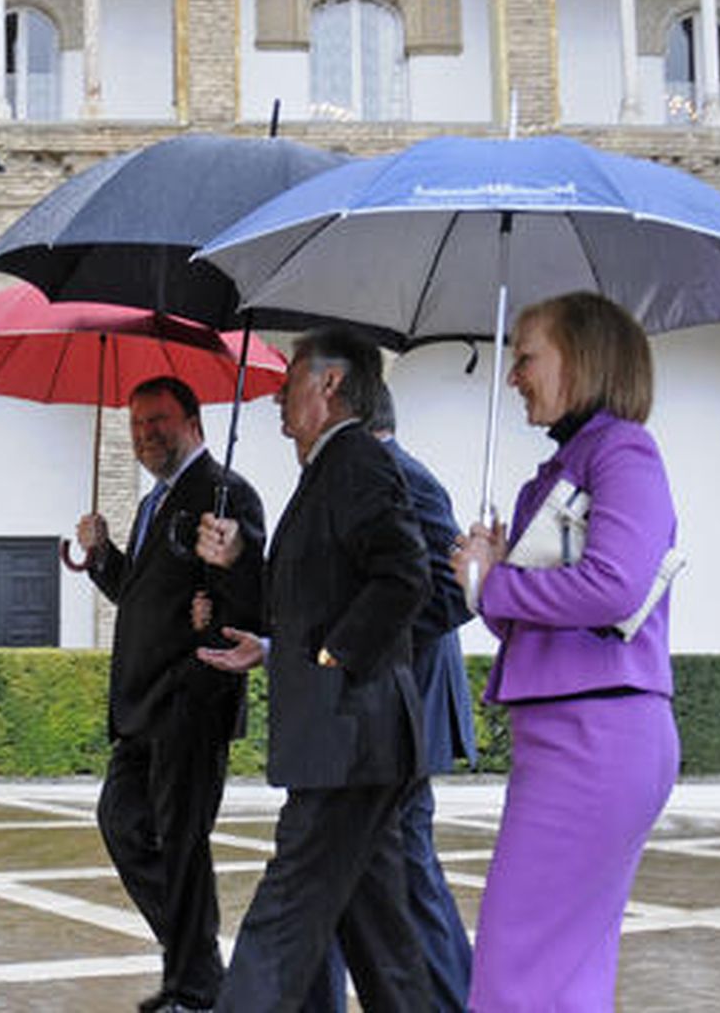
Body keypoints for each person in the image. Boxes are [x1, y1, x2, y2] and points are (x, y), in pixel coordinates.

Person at [451, 291, 682, 1012]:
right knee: (560, 968)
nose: (513, 375)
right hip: (563, 732)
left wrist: (498, 587)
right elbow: (527, 628)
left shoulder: (624, 451)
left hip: (597, 735)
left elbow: (614, 586)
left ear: (581, 358)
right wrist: (481, 578)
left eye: (526, 356)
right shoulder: (544, 481)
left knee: (515, 968)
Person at [196, 327, 432, 1012]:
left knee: (283, 914)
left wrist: (334, 657)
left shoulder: (355, 458)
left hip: (349, 736)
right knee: (380, 934)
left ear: (329, 383)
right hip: (351, 737)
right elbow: (311, 591)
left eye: (292, 373)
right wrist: (243, 559)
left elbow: (405, 572)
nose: (277, 390)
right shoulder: (329, 467)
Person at [74, 376, 266, 1013]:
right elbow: (143, 595)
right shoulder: (156, 501)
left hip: (190, 704)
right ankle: (201, 969)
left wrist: (224, 587)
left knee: (181, 846)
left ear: (194, 422)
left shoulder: (227, 493)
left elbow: (254, 605)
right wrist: (103, 556)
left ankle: (193, 986)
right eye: (136, 425)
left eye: (158, 421)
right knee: (123, 822)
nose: (145, 434)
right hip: (140, 707)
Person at [322, 386, 477, 1012]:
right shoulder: (366, 480)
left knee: (410, 878)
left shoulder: (405, 479)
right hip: (369, 713)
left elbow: (451, 593)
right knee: (354, 875)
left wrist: (359, 639)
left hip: (405, 709)